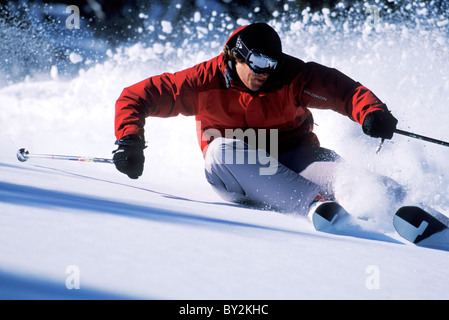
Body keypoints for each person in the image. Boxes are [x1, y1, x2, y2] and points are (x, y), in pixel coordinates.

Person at [112, 22, 399, 220]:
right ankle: (320, 207)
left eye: (273, 64)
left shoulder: (291, 77)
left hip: (294, 157)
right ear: (237, 57)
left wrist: (372, 113)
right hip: (239, 172)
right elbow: (136, 97)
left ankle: (401, 204)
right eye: (260, 64)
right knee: (220, 149)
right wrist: (129, 140)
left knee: (350, 179)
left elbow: (345, 93)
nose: (266, 73)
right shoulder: (203, 81)